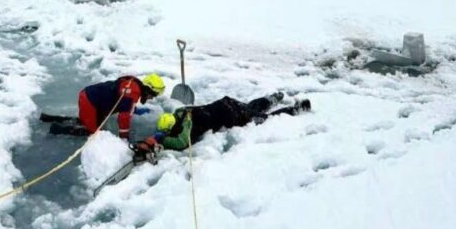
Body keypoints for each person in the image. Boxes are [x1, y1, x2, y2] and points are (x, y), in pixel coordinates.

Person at [136, 92, 311, 152]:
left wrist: (162, 140)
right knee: (251, 107)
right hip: (225, 103)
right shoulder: (180, 112)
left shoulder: (187, 125)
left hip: (232, 115)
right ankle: (273, 98)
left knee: (264, 119)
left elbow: (181, 142)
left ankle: (297, 108)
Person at [74, 73, 165, 139]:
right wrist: (124, 137)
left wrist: (133, 109)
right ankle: (62, 129)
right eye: (154, 94)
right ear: (148, 89)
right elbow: (123, 117)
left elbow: (124, 103)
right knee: (92, 133)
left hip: (94, 100)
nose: (152, 97)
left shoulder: (134, 86)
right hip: (89, 100)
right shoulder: (133, 91)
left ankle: (82, 122)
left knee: (94, 124)